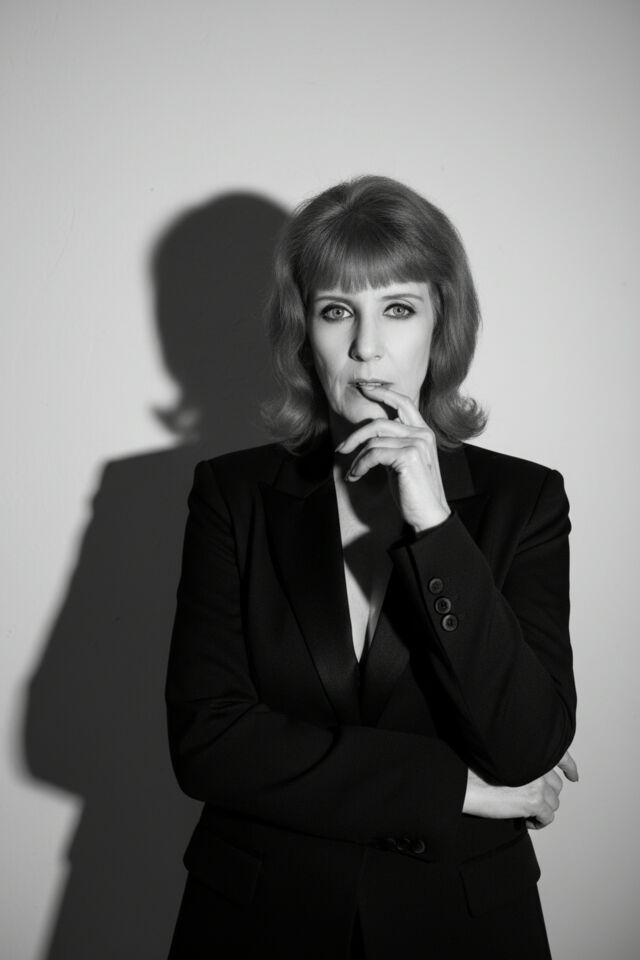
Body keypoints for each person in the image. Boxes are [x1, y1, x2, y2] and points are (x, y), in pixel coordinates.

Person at [165, 175, 578, 959]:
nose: (366, 347)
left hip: (460, 927)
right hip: (260, 922)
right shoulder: (233, 495)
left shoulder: (524, 501)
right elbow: (209, 741)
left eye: (397, 309)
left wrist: (435, 524)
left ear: (441, 322)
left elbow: (526, 746)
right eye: (336, 311)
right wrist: (455, 789)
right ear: (303, 332)